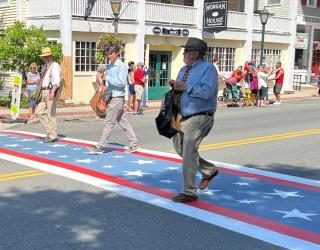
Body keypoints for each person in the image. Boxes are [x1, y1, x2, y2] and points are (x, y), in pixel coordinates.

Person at [169, 37, 219, 203]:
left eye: (187, 50)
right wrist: (175, 87)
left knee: (189, 152)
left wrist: (186, 87)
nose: (184, 53)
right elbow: (181, 90)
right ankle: (209, 170)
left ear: (196, 53)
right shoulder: (183, 69)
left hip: (200, 116)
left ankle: (189, 192)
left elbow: (207, 92)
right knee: (181, 149)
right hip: (181, 115)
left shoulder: (208, 68)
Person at [88, 45, 140, 155]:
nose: (109, 56)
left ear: (117, 53)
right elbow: (108, 84)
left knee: (109, 122)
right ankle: (134, 143)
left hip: (117, 97)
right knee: (122, 121)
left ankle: (100, 146)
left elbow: (121, 83)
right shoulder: (109, 66)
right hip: (110, 95)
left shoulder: (122, 66)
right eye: (108, 54)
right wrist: (101, 80)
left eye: (111, 53)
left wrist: (107, 78)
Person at [35, 47, 61, 143]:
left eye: (47, 56)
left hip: (50, 91)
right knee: (39, 112)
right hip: (43, 91)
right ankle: (50, 132)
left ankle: (52, 135)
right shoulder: (44, 67)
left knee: (51, 114)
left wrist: (53, 91)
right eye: (44, 56)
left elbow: (56, 81)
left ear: (51, 56)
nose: (45, 58)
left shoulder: (55, 65)